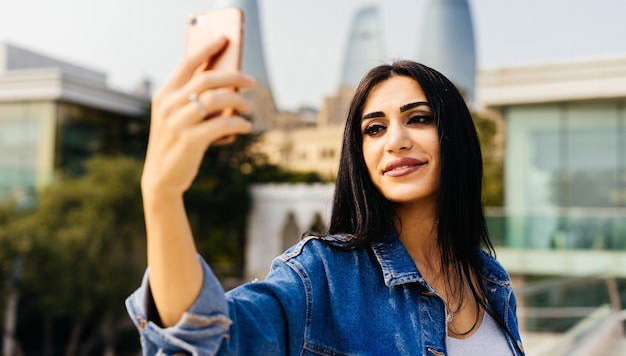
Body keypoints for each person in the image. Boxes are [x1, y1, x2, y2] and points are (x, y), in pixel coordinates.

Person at [126, 36, 525, 355]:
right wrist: (161, 193)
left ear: (455, 136)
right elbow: (206, 339)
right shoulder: (323, 274)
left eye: (418, 118)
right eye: (374, 129)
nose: (396, 141)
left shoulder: (491, 281)